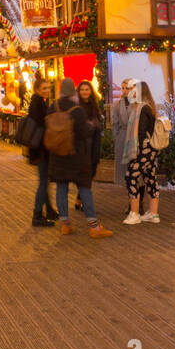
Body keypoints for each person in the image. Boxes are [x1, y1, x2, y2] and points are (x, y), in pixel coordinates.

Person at [47, 79, 112, 239]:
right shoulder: (77, 110)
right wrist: (90, 128)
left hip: (58, 155)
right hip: (77, 157)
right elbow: (83, 134)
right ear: (73, 92)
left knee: (62, 188)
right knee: (85, 189)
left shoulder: (52, 108)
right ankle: (94, 227)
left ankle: (65, 225)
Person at [123, 80, 162, 225]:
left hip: (143, 149)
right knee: (150, 178)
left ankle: (134, 213)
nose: (131, 92)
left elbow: (141, 132)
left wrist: (137, 151)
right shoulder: (149, 107)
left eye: (133, 90)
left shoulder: (142, 108)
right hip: (152, 150)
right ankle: (153, 213)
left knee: (131, 176)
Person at [27, 77, 59, 227]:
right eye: (44, 88)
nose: (47, 90)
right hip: (40, 150)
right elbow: (42, 126)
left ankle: (50, 210)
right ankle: (37, 214)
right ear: (38, 90)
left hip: (40, 149)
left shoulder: (39, 102)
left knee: (44, 181)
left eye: (48, 87)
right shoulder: (38, 104)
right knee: (43, 183)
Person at [75, 80, 102, 212]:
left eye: (87, 89)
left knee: (90, 174)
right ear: (78, 92)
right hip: (83, 147)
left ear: (91, 91)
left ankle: (79, 200)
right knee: (86, 176)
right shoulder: (77, 107)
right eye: (82, 90)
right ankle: (84, 202)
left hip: (94, 146)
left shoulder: (94, 106)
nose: (84, 92)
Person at [110, 78, 137, 188]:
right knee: (123, 169)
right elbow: (115, 123)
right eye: (123, 88)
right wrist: (116, 138)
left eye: (128, 88)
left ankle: (137, 198)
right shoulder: (117, 104)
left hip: (134, 137)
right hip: (122, 137)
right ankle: (131, 196)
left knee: (134, 167)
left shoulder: (137, 103)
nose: (125, 90)